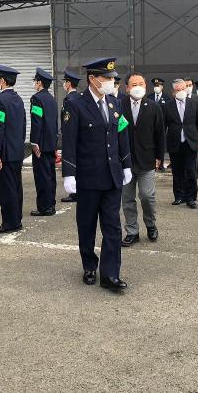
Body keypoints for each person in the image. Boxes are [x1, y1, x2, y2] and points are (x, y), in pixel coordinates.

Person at [61, 57, 132, 292]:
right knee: (87, 224)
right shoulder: (75, 104)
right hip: (88, 177)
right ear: (92, 79)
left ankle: (110, 274)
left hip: (112, 177)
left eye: (112, 78)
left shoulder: (115, 104)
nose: (111, 82)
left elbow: (121, 136)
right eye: (107, 78)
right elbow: (69, 141)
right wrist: (69, 174)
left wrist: (126, 164)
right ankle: (89, 265)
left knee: (113, 227)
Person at [120, 72, 165, 247]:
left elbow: (160, 134)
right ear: (127, 88)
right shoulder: (119, 105)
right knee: (127, 198)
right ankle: (132, 231)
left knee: (147, 195)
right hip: (125, 161)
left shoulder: (154, 107)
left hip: (147, 159)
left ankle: (151, 224)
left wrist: (159, 157)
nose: (137, 87)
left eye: (140, 84)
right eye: (133, 84)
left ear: (145, 86)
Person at [0, 65, 26, 233]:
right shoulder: (18, 99)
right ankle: (16, 219)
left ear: (3, 81)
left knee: (6, 189)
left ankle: (10, 222)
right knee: (16, 187)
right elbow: (23, 124)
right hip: (17, 150)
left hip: (4, 152)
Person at [163, 79, 198, 209]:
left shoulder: (195, 102)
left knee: (191, 171)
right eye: (178, 90)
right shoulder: (168, 106)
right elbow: (164, 125)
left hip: (191, 141)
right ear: (173, 92)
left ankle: (191, 198)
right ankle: (179, 196)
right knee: (177, 171)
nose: (181, 91)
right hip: (175, 142)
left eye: (183, 89)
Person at [30, 67, 58, 216]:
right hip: (51, 143)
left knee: (42, 177)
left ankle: (44, 206)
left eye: (35, 81)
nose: (34, 84)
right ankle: (51, 204)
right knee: (50, 175)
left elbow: (37, 122)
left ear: (39, 83)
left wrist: (34, 142)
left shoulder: (37, 99)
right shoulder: (51, 99)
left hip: (41, 144)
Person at [60, 69, 81, 203]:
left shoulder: (69, 100)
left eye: (65, 82)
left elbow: (67, 122)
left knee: (73, 164)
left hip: (72, 137)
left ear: (68, 84)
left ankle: (75, 193)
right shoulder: (78, 98)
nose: (64, 85)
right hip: (79, 138)